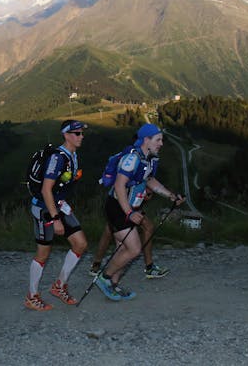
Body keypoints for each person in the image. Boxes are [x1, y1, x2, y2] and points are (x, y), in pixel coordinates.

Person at [94, 123, 184, 301]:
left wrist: (170, 196)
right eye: (158, 140)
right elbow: (119, 185)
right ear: (146, 140)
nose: (161, 143)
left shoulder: (148, 158)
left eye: (162, 140)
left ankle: (113, 285)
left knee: (123, 249)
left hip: (129, 208)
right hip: (118, 207)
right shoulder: (132, 158)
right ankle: (104, 278)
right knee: (134, 249)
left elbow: (149, 180)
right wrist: (128, 212)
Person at [24, 120, 88, 311]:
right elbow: (46, 190)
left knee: (80, 244)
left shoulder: (72, 155)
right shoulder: (57, 158)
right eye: (77, 133)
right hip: (45, 209)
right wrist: (55, 218)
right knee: (43, 254)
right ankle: (32, 296)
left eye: (82, 133)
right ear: (67, 135)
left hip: (59, 206)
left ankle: (59, 286)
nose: (81, 136)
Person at [89, 189, 170, 279]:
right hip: (120, 201)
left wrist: (149, 192)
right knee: (109, 231)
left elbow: (149, 182)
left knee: (148, 227)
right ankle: (98, 265)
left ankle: (149, 266)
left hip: (133, 200)